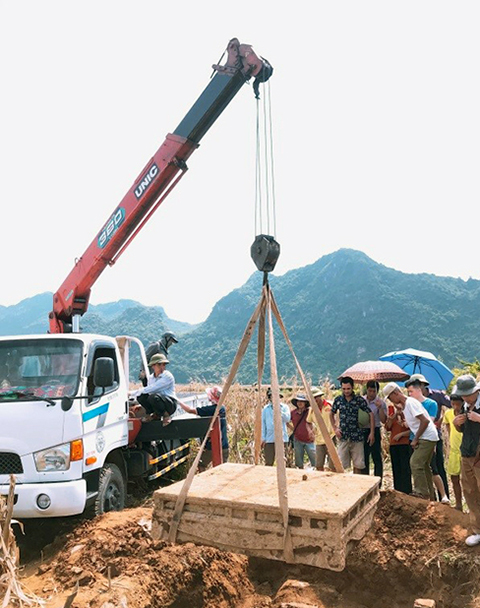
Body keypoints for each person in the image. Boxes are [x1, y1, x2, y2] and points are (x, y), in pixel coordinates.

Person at [383, 382, 438, 500]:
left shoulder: (410, 403)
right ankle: (431, 495)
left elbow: (425, 421)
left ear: (395, 393)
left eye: (390, 397)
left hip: (427, 437)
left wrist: (416, 438)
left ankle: (422, 492)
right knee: (424, 466)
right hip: (427, 436)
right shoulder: (406, 405)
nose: (390, 400)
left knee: (415, 463)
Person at [405, 374, 450, 504]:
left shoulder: (433, 400)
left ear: (422, 387)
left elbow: (428, 422)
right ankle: (431, 497)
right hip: (415, 439)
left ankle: (442, 496)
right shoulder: (410, 403)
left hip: (430, 438)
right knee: (423, 468)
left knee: (435, 468)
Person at [452, 374, 480, 546]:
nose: (463, 398)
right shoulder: (465, 406)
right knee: (470, 492)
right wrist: (457, 424)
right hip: (467, 454)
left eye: (466, 394)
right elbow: (465, 431)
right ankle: (477, 530)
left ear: (475, 391)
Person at [330, 376, 374, 474]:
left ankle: (356, 486)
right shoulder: (338, 400)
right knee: (340, 465)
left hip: (357, 436)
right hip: (343, 436)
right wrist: (335, 428)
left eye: (348, 388)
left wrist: (372, 432)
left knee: (358, 464)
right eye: (344, 389)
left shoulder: (359, 400)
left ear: (352, 387)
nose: (346, 391)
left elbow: (370, 414)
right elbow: (331, 413)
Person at [179, 386, 228, 471]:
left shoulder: (211, 410)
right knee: (222, 469)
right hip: (225, 445)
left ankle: (205, 479)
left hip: (212, 446)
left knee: (201, 464)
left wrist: (178, 401)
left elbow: (190, 410)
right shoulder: (222, 408)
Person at [131, 353, 177, 425]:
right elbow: (148, 392)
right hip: (157, 401)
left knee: (153, 397)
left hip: (169, 404)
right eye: (159, 364)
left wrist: (131, 393)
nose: (162, 367)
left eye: (164, 364)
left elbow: (153, 388)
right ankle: (152, 415)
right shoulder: (151, 378)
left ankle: (166, 415)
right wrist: (140, 404)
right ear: (153, 366)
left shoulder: (167, 376)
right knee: (141, 397)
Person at [361, 380, 387, 481]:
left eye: (374, 391)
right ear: (366, 390)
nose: (371, 393)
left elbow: (383, 420)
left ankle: (378, 481)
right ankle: (366, 481)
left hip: (375, 430)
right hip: (363, 430)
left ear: (377, 391)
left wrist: (380, 408)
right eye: (370, 391)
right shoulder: (361, 401)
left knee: (376, 457)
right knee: (364, 457)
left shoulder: (381, 403)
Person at [385, 402, 412, 494]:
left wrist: (401, 434)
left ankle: (407, 491)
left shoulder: (408, 413)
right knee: (396, 468)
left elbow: (412, 429)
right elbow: (388, 427)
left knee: (405, 468)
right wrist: (392, 418)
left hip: (405, 443)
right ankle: (398, 490)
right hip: (394, 444)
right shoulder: (393, 414)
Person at [307, 387, 336, 471]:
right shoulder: (312, 410)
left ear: (320, 396)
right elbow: (308, 422)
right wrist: (310, 431)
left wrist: (336, 427)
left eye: (316, 397)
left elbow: (338, 417)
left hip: (331, 437)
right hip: (319, 439)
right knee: (319, 464)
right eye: (313, 398)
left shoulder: (330, 405)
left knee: (333, 464)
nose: (315, 400)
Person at [444, 393, 464, 511]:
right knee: (454, 478)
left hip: (466, 450)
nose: (456, 406)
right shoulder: (448, 414)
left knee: (468, 481)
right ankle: (458, 504)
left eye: (458, 404)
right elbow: (447, 425)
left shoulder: (465, 415)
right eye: (453, 404)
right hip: (454, 450)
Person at [261, 387, 291, 466]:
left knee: (283, 461)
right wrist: (263, 438)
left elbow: (287, 419)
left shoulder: (284, 407)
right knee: (269, 461)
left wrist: (278, 410)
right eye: (272, 396)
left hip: (282, 438)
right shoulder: (265, 409)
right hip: (269, 439)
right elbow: (263, 424)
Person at [290, 394, 316, 469]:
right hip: (297, 439)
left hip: (310, 440)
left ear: (305, 403)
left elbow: (316, 421)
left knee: (315, 461)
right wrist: (294, 429)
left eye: (302, 401)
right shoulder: (293, 413)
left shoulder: (310, 412)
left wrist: (313, 431)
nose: (300, 403)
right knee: (299, 462)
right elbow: (286, 421)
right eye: (298, 401)